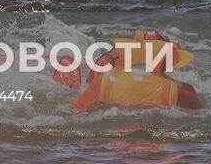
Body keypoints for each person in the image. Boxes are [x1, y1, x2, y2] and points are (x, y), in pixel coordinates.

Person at [55, 30, 203, 113]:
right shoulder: (182, 91)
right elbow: (201, 115)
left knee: (101, 61)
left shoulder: (107, 79)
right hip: (158, 155)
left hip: (116, 147)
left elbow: (75, 112)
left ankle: (74, 86)